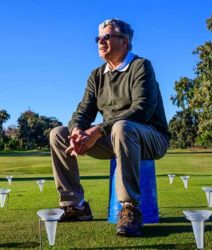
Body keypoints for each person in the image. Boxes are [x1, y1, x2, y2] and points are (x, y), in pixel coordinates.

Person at [49, 18, 170, 237]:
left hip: (151, 137)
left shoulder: (141, 66)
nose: (100, 42)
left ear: (125, 41)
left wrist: (97, 131)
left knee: (122, 127)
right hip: (114, 138)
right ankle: (76, 206)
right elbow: (83, 112)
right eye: (98, 38)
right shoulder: (96, 75)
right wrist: (77, 130)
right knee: (59, 134)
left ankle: (130, 208)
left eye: (107, 37)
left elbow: (141, 110)